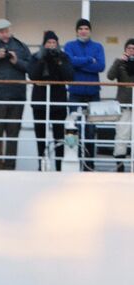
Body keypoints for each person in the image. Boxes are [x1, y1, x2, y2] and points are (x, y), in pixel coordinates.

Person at [0, 17, 30, 169]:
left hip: (17, 95)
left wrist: (17, 61)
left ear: (11, 30)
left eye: (6, 31)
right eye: (1, 31)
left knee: (13, 134)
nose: (4, 34)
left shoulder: (22, 48)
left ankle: (10, 166)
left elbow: (31, 68)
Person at [28, 30, 74, 171]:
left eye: (54, 43)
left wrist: (58, 61)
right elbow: (32, 76)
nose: (52, 45)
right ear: (44, 44)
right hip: (40, 102)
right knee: (40, 135)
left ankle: (59, 167)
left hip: (58, 102)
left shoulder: (63, 57)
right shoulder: (36, 57)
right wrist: (43, 59)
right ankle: (41, 165)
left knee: (59, 136)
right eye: (49, 43)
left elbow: (69, 77)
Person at [64, 18, 105, 171]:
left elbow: (100, 66)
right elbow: (69, 62)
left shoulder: (98, 46)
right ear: (76, 31)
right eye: (80, 28)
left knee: (90, 131)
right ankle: (74, 164)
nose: (83, 31)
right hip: (75, 93)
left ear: (90, 31)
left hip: (93, 93)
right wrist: (89, 60)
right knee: (73, 129)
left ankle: (89, 166)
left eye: (86, 28)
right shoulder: (69, 45)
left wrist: (79, 64)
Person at [107, 38, 134, 171]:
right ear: (125, 50)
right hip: (123, 105)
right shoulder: (120, 63)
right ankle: (120, 166)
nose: (132, 51)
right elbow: (110, 76)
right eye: (129, 48)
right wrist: (119, 62)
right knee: (121, 135)